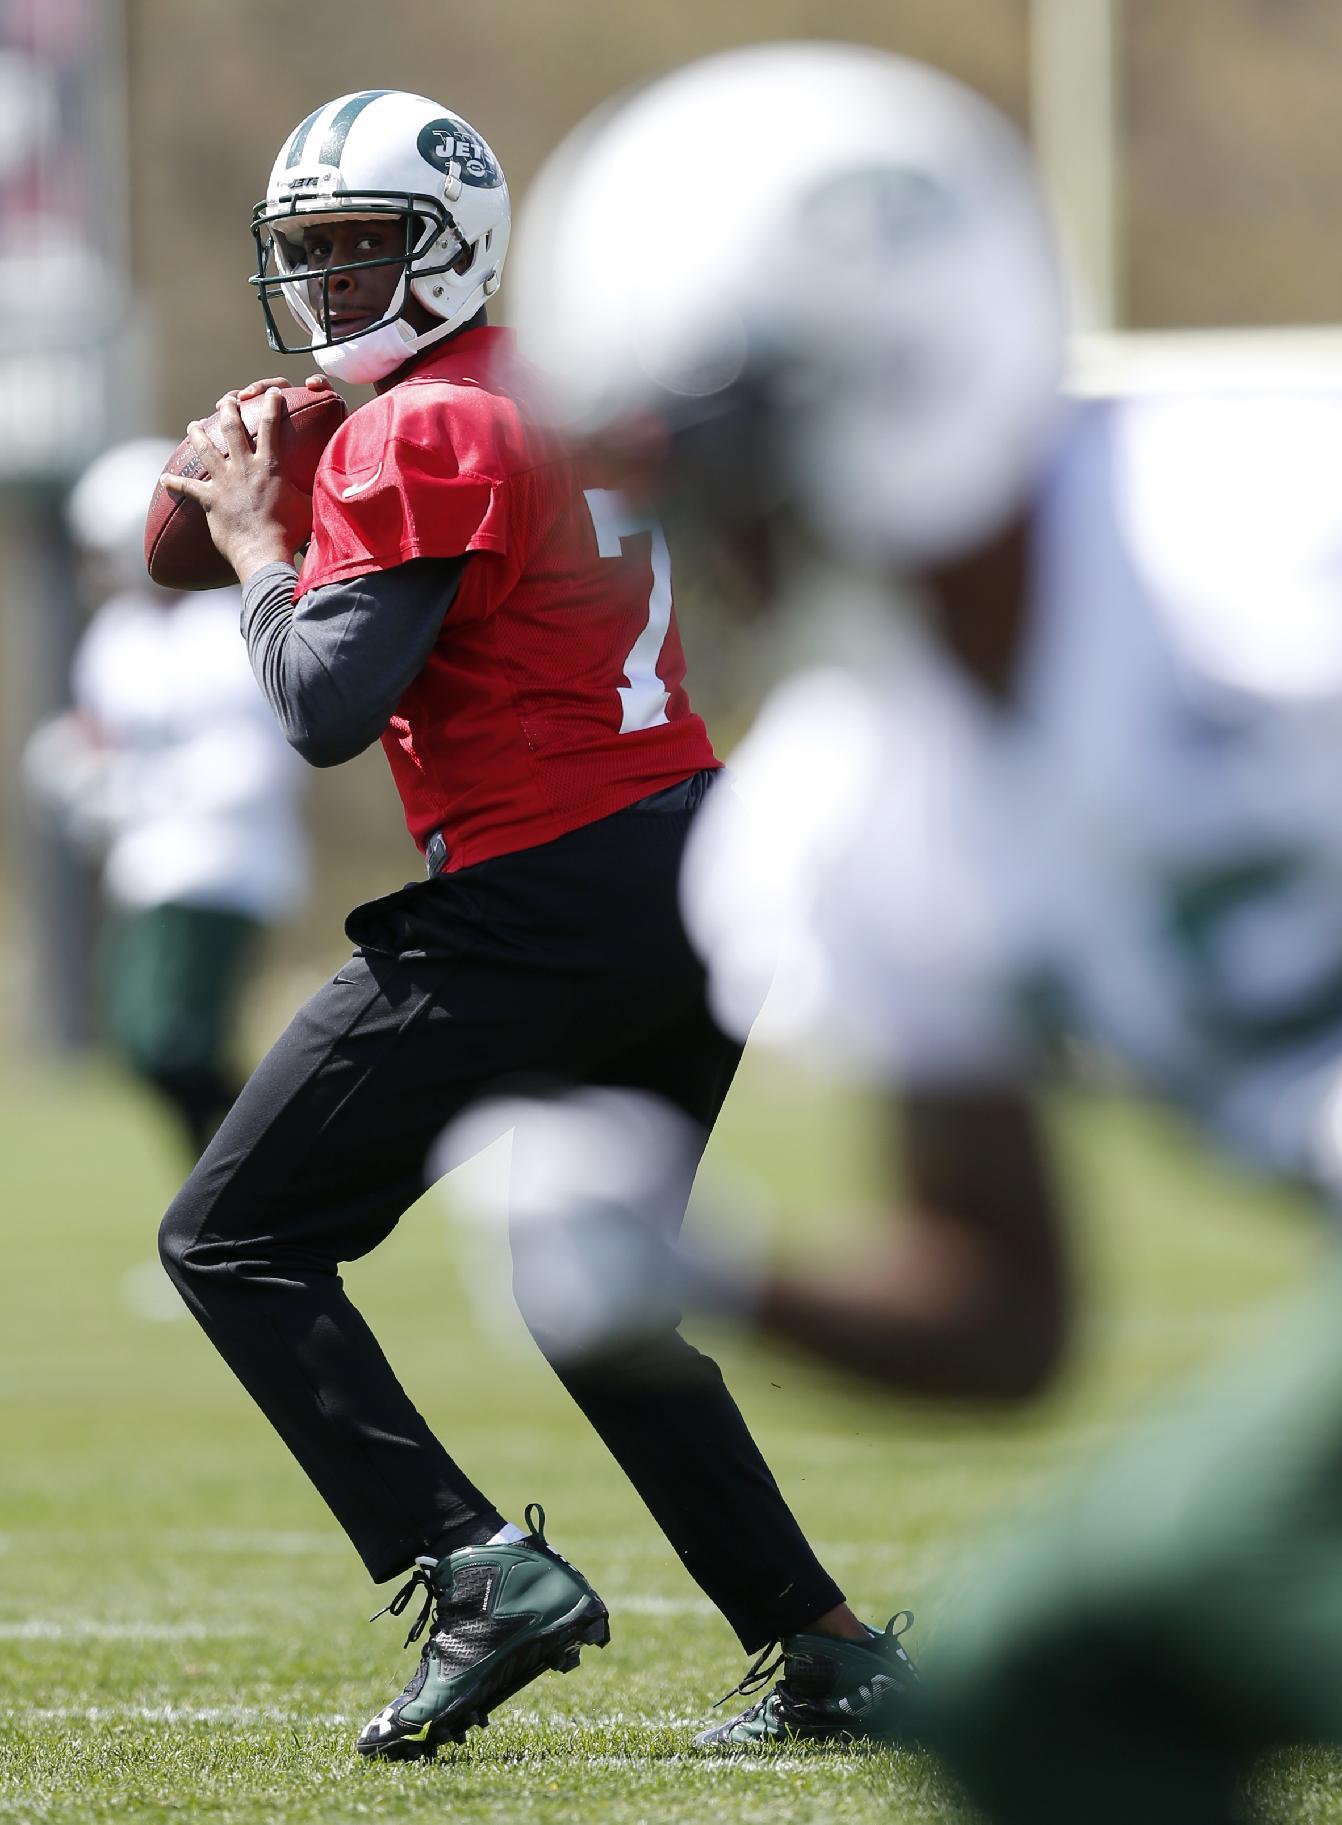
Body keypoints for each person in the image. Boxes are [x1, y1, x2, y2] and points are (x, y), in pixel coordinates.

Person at [503, 40, 1342, 1806]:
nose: (690, 536)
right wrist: (713, 1275)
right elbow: (1003, 1315)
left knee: (1227, 1577)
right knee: (1034, 1684)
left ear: (880, 369)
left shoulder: (1287, 542)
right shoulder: (846, 813)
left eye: (707, 460)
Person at [154, 88, 916, 1764]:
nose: (340, 287)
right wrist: (236, 497)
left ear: (457, 248)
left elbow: (323, 706)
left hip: (546, 881)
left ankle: (473, 1569)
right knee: (599, 1284)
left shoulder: (424, 427)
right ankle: (829, 1651)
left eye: (368, 250)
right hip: (686, 870)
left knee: (231, 1240)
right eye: (313, 257)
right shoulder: (549, 389)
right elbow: (171, 556)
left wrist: (253, 528)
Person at [24, 437, 306, 1160]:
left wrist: (127, 792)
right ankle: (224, 1200)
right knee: (145, 1041)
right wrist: (74, 769)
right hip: (147, 865)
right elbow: (103, 739)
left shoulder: (225, 630)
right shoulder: (118, 636)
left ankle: (265, 1171)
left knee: (172, 1042)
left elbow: (255, 767)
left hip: (219, 863)